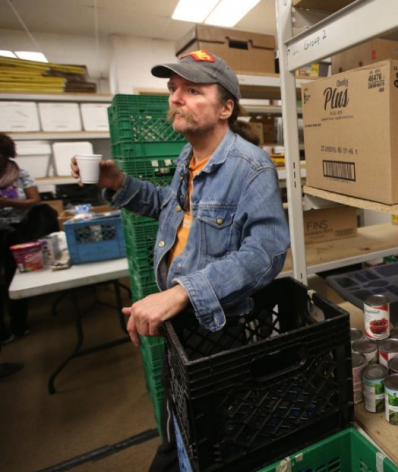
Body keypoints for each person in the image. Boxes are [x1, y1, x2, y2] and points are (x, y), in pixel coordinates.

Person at [71, 50, 289, 471]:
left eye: (192, 90)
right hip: (182, 321)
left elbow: (266, 253)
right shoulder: (187, 160)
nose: (175, 98)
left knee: (207, 439)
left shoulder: (251, 167)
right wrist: (118, 183)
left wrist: (183, 292)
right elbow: (170, 208)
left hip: (219, 327)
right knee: (181, 428)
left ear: (225, 108)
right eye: (173, 89)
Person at [0, 133, 58, 344]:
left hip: (17, 233)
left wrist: (8, 203)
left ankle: (19, 323)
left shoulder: (20, 175)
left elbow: (34, 200)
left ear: (5, 154)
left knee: (16, 276)